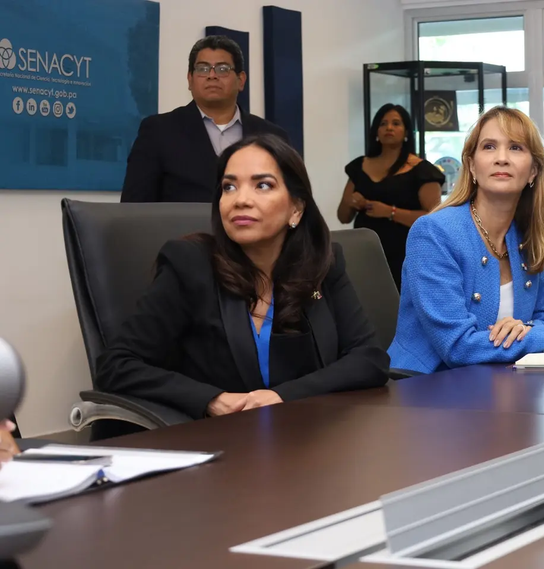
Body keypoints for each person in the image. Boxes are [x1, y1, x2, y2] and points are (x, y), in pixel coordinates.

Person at [98, 134, 389, 419]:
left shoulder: (323, 264)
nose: (241, 200)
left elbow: (369, 359)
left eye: (263, 185)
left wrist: (284, 397)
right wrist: (211, 400)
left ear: (296, 210)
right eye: (229, 187)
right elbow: (117, 365)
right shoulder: (189, 264)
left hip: (306, 437)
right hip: (220, 445)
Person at [388, 107, 544, 374]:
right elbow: (457, 347)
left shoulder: (526, 238)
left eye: (515, 148)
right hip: (425, 391)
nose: (501, 158)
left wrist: (525, 330)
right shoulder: (434, 232)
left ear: (533, 171)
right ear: (471, 165)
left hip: (500, 383)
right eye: (489, 146)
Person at [121, 35, 289, 203]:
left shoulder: (272, 136)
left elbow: (290, 201)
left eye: (222, 69)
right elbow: (133, 210)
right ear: (190, 79)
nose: (212, 75)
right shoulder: (158, 131)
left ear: (241, 80)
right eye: (202, 68)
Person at [337, 104, 444, 290]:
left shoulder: (422, 170)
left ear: (406, 132)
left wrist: (390, 212)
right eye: (383, 123)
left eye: (396, 123)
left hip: (406, 254)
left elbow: (434, 219)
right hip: (365, 253)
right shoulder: (359, 166)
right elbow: (343, 217)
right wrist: (354, 202)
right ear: (376, 131)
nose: (389, 128)